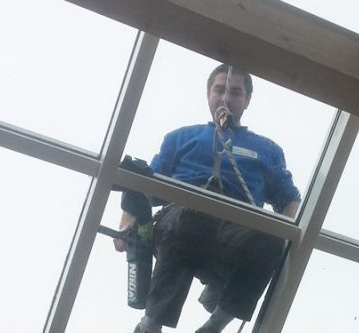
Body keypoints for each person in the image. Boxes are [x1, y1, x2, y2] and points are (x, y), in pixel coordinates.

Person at [115, 64, 301, 333]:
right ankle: (152, 323)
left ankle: (214, 326)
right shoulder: (180, 138)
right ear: (208, 94)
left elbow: (289, 199)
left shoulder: (267, 150)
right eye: (219, 90)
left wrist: (282, 236)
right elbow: (145, 182)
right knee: (192, 217)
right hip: (181, 219)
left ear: (247, 100)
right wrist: (126, 225)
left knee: (270, 241)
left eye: (235, 92)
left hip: (235, 229)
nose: (225, 98)